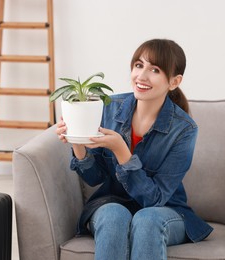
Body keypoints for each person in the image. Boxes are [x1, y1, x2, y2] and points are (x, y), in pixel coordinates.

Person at [56, 39, 213, 260]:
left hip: (165, 210)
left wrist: (122, 151)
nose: (142, 76)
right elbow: (94, 178)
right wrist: (77, 140)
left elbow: (155, 200)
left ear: (174, 81)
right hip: (111, 203)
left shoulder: (184, 130)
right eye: (139, 65)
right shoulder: (109, 107)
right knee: (113, 214)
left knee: (147, 219)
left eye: (155, 70)